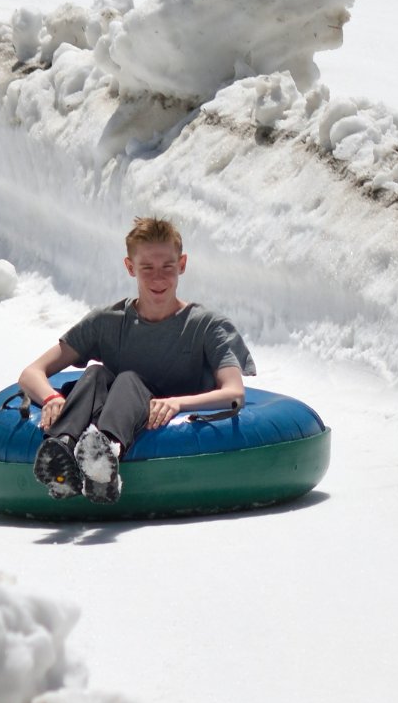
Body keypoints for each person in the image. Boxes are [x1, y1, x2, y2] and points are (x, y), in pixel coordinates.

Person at [18, 216, 253, 503]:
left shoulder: (207, 325)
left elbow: (234, 394)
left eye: (167, 267)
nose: (158, 278)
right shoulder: (106, 322)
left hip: (160, 416)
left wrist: (178, 403)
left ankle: (106, 457)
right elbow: (32, 372)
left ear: (182, 264)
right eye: (147, 268)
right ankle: (62, 451)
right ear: (130, 268)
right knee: (96, 375)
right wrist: (51, 398)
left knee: (127, 378)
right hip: (109, 406)